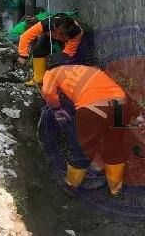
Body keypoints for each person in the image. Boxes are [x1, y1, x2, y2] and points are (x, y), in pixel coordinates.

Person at [38, 55, 129, 195]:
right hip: (121, 103)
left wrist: (57, 109)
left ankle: (71, 185)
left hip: (92, 107)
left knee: (82, 149)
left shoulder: (52, 72)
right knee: (114, 147)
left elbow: (48, 92)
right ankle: (115, 189)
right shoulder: (90, 69)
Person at [17, 13, 83, 86]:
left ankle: (63, 80)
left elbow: (69, 52)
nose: (61, 34)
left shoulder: (76, 32)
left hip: (67, 41)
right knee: (38, 50)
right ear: (54, 27)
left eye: (64, 33)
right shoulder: (46, 23)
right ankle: (38, 79)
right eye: (60, 32)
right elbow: (25, 36)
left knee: (66, 59)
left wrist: (57, 58)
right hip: (49, 35)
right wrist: (23, 55)